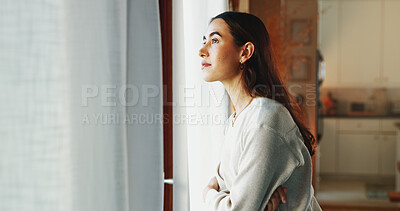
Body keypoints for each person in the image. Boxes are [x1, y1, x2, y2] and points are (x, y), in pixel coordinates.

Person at [199, 11, 322, 210]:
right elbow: (228, 190)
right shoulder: (236, 119)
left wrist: (208, 194)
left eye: (214, 41)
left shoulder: (265, 121)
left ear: (245, 52)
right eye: (204, 40)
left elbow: (234, 205)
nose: (202, 51)